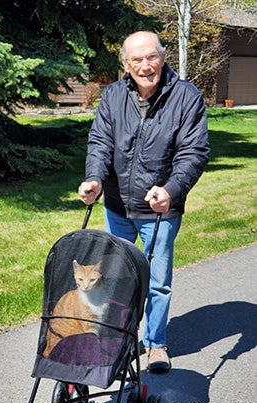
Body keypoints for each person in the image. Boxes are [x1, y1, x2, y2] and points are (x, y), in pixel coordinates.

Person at [78, 31, 210, 373]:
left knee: (157, 281)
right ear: (125, 63)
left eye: (151, 57)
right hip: (117, 207)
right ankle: (119, 340)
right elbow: (99, 142)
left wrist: (171, 189)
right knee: (117, 278)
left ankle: (155, 344)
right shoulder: (112, 95)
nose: (145, 65)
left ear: (163, 57)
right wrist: (94, 178)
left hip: (159, 211)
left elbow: (193, 153)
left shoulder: (186, 97)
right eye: (136, 59)